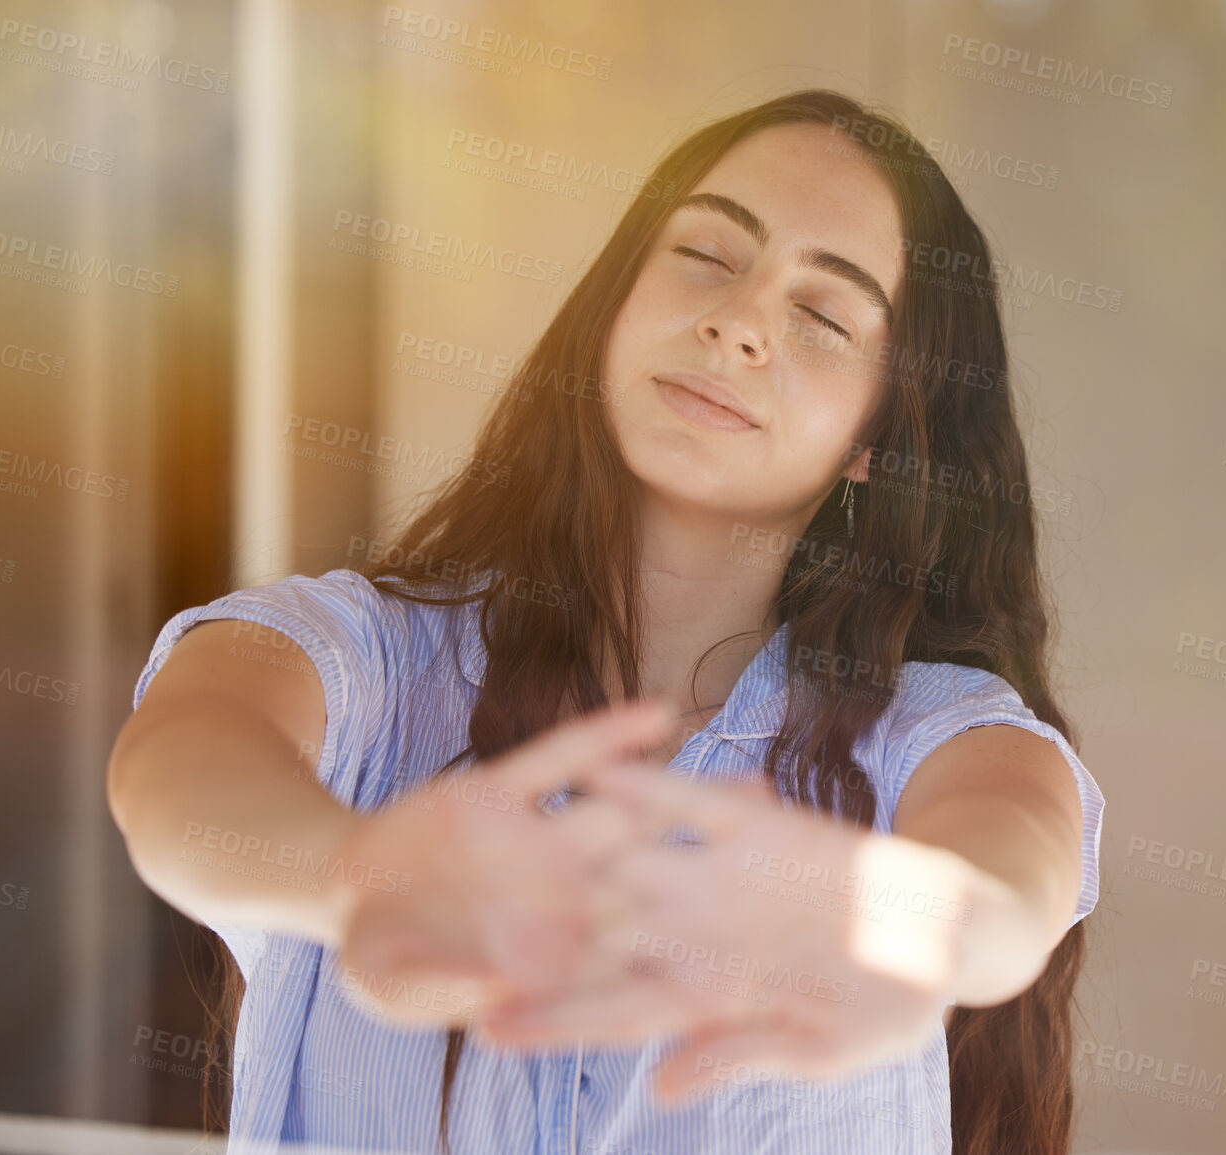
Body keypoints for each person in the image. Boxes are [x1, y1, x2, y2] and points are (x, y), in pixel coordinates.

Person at [107, 88, 1105, 1155]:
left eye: (823, 315)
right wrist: (361, 878)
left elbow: (1010, 882)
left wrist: (901, 923)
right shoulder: (374, 658)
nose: (741, 323)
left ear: (876, 438)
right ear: (613, 307)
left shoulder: (935, 736)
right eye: (708, 255)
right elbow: (179, 767)